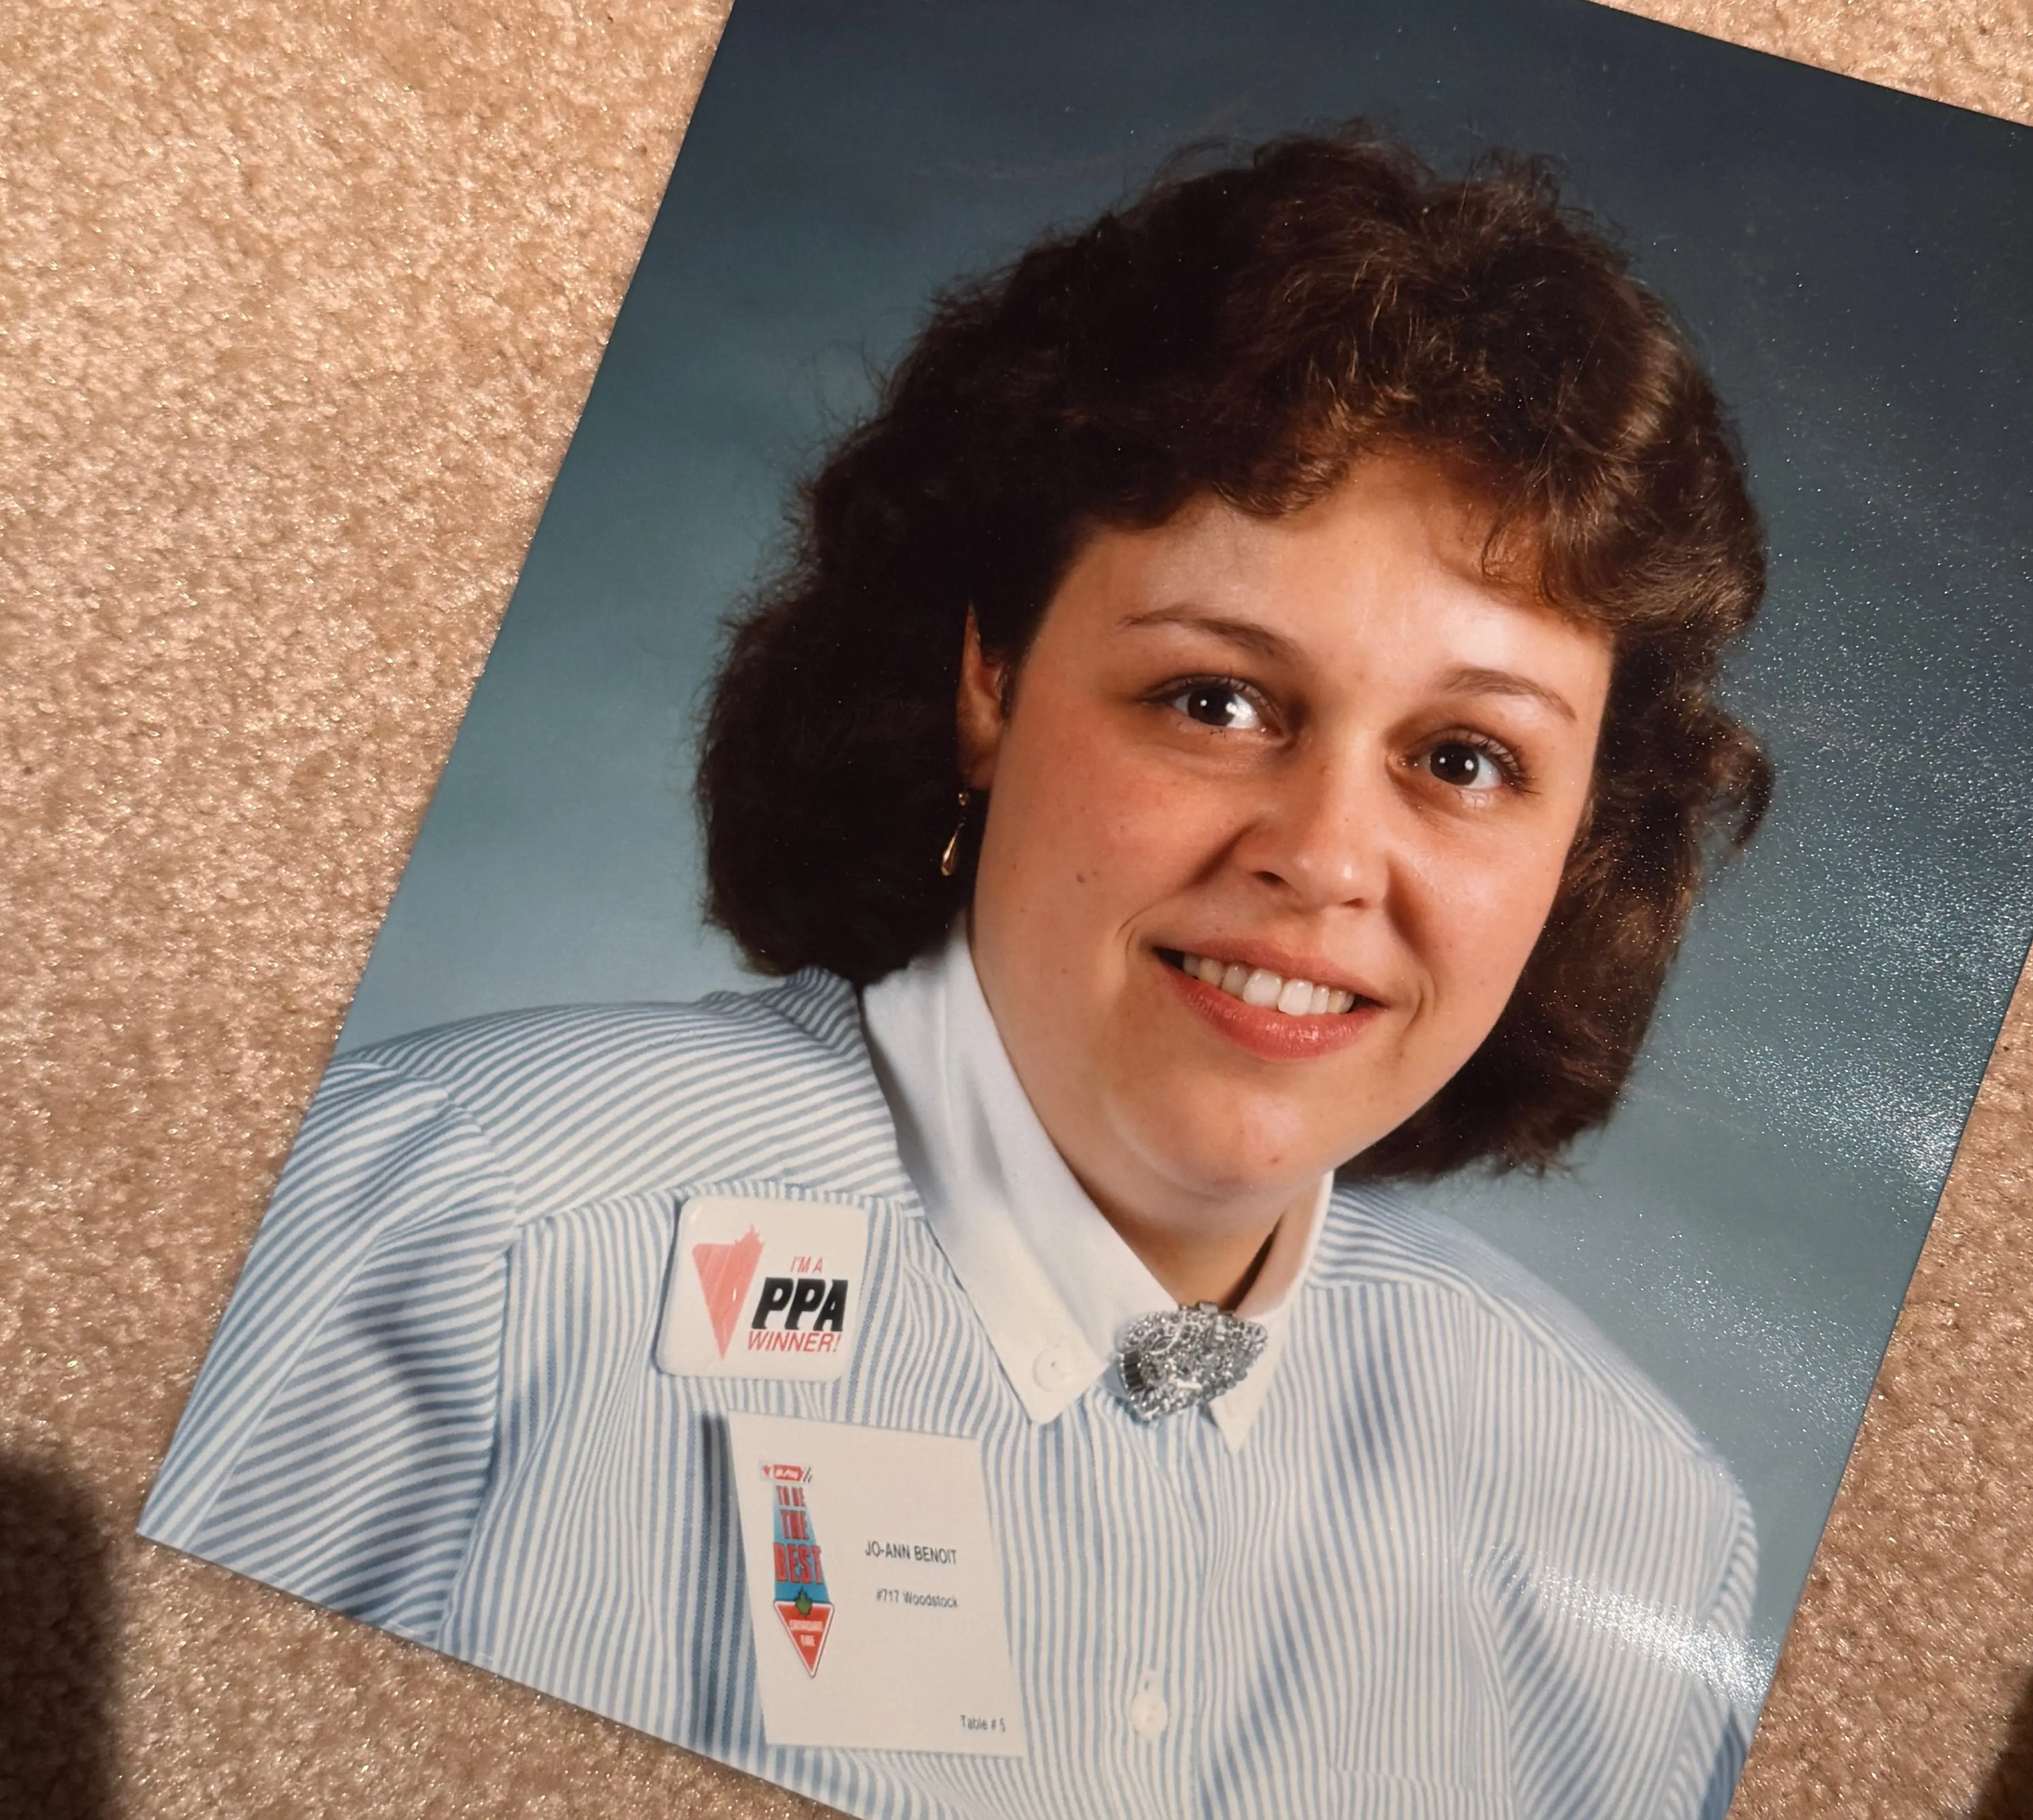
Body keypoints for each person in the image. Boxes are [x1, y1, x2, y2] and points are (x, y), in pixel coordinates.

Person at [142, 131, 1772, 1819]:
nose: (1324, 855)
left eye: (1464, 757)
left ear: (1586, 836)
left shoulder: (1632, 1532)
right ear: (988, 678)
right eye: (1216, 699)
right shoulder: (447, 1244)